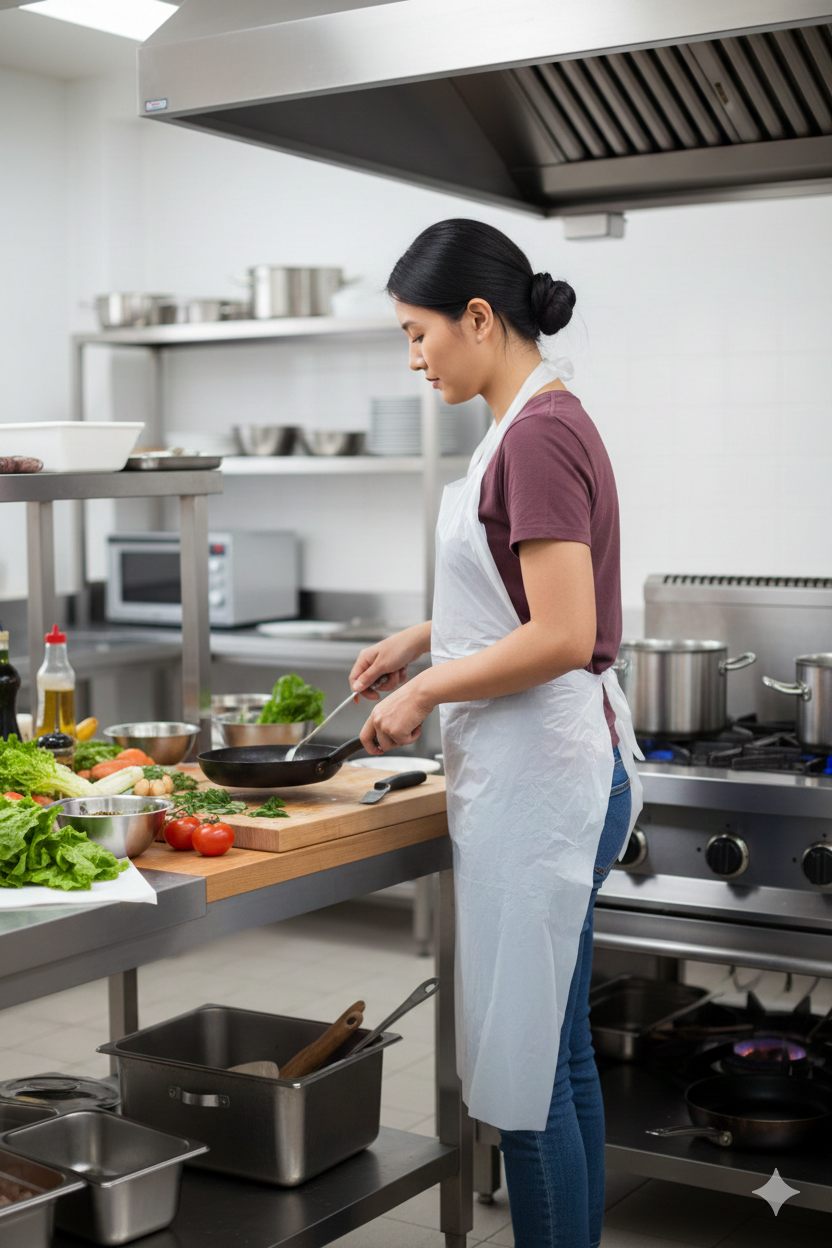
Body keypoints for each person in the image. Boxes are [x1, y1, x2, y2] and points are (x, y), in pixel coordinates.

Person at [349, 218, 643, 1248]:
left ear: (479, 317)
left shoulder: (537, 434)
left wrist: (428, 689)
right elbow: (521, 586)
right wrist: (423, 633)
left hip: (545, 779)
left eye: (419, 332)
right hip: (547, 771)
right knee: (555, 1062)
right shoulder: (525, 420)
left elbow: (563, 632)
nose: (414, 356)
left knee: (521, 1087)